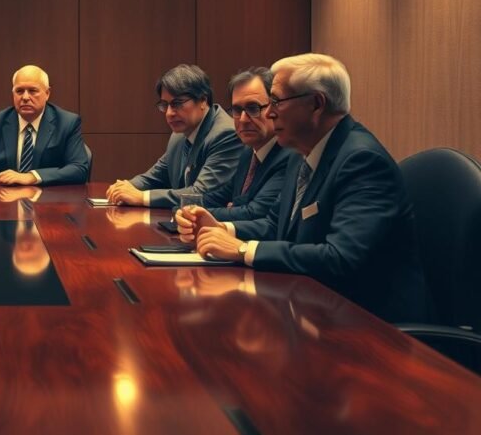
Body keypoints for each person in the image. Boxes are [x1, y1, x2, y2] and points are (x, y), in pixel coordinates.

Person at [175, 53, 430, 322]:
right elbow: (276, 226)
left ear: (316, 104)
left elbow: (340, 258)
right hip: (316, 309)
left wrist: (242, 250)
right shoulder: (301, 154)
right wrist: (220, 229)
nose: (270, 113)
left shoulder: (361, 161)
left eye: (277, 101)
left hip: (373, 327)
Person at [106, 64, 242, 207]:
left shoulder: (226, 134)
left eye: (177, 103)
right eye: (165, 105)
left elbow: (201, 194)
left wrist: (142, 197)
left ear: (202, 100)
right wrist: (125, 187)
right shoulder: (179, 134)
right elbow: (155, 176)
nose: (169, 113)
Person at [0, 65, 90, 186]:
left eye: (32, 91)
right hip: (4, 205)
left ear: (47, 93)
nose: (25, 97)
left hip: (49, 205)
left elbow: (79, 169)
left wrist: (31, 177)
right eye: (19, 91)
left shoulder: (67, 122)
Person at [202, 67, 293, 222]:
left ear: (274, 107)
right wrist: (186, 208)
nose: (243, 119)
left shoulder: (289, 155)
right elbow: (222, 195)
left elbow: (255, 212)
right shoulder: (248, 152)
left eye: (253, 108)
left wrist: (200, 215)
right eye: (237, 110)